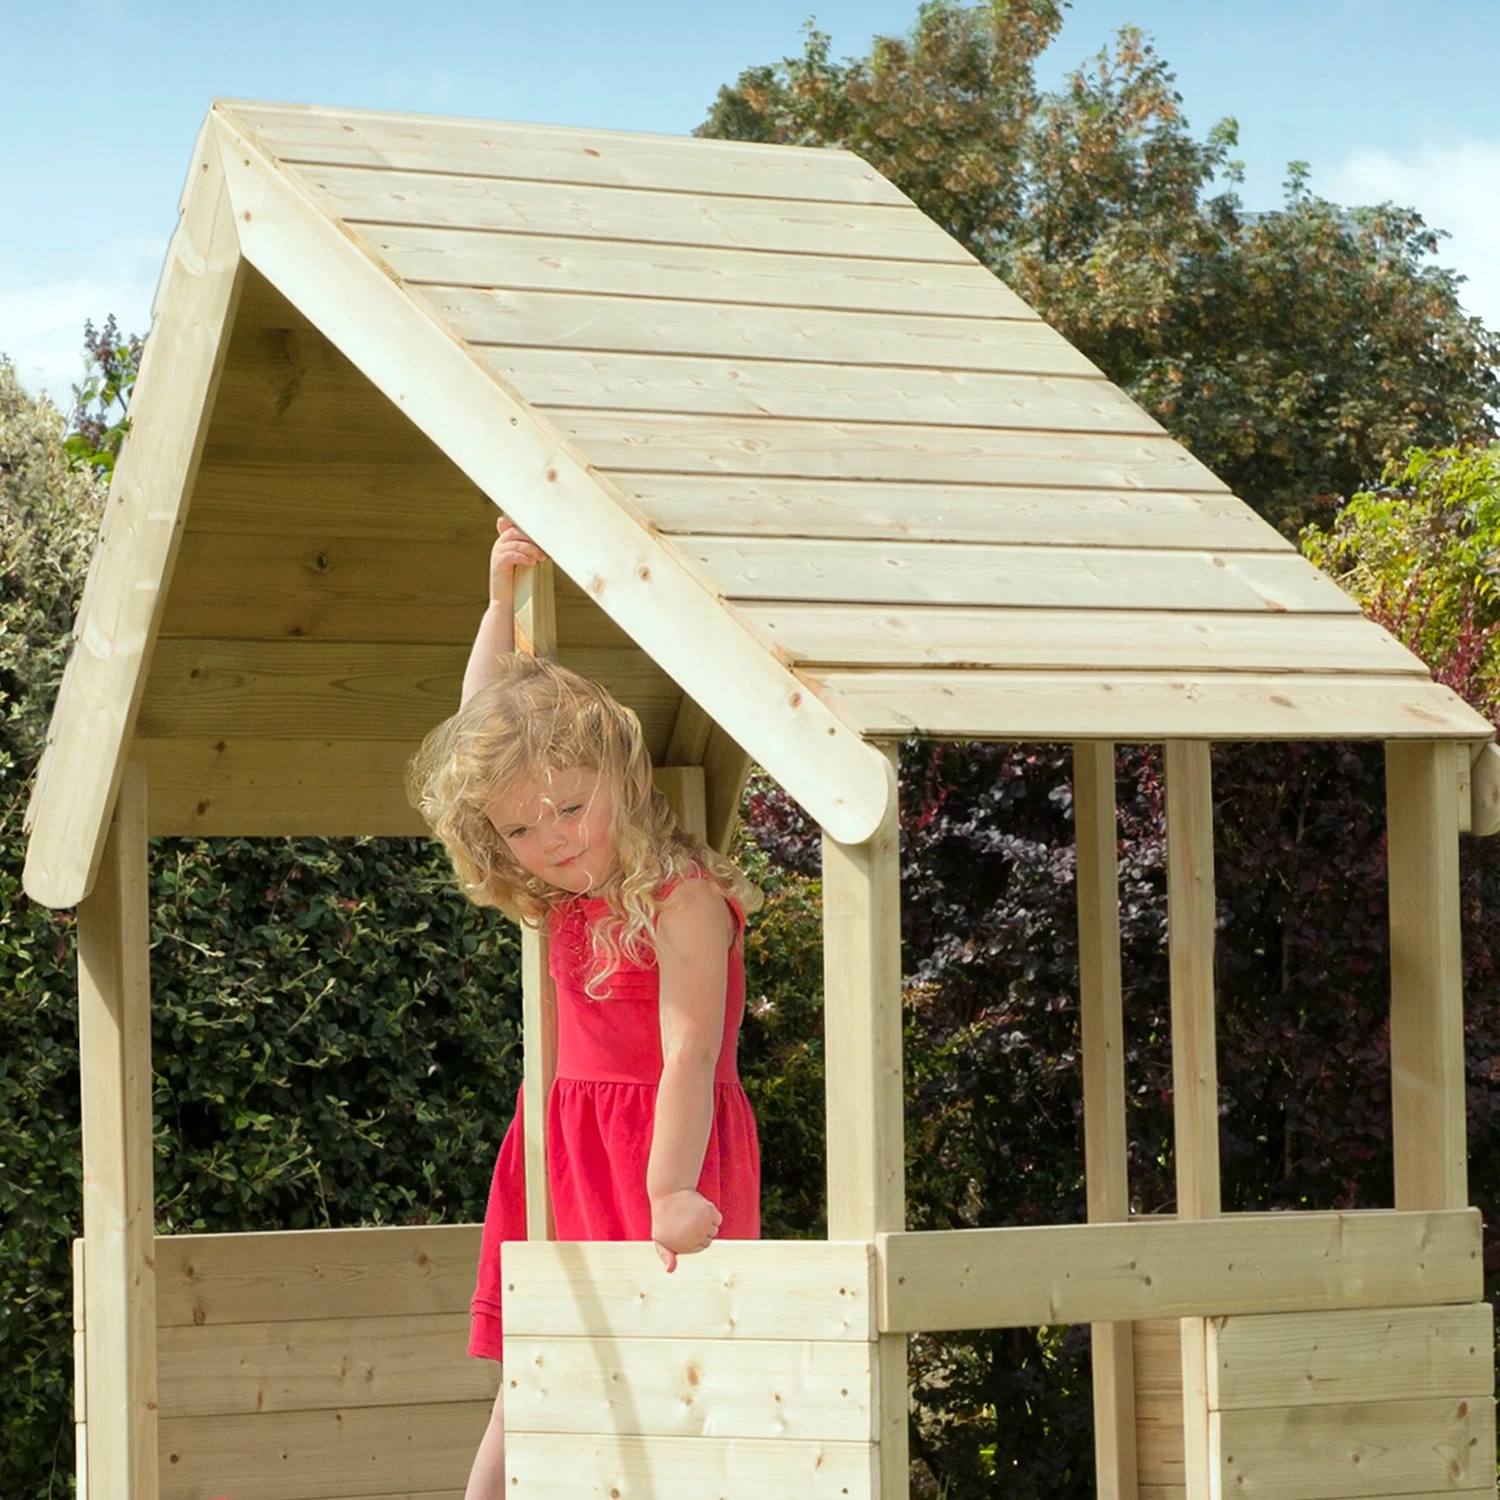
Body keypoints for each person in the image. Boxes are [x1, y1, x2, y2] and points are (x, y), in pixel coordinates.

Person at [407, 517, 762, 1500]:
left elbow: (690, 1053)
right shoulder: (566, 897)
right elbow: (480, 720)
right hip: (563, 1144)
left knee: (671, 1369)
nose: (555, 839)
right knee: (536, 1364)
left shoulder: (682, 899)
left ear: (619, 777)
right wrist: (498, 602)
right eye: (523, 828)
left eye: (570, 807)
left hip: (664, 1148)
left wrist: (669, 1191)